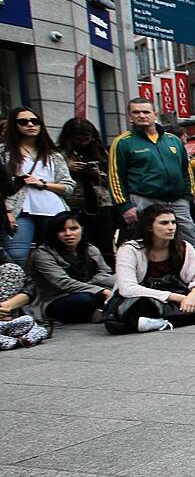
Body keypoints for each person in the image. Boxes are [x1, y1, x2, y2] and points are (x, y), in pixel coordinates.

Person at [103, 204, 195, 334]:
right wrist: (177, 298)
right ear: (149, 227)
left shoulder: (183, 247)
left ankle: (159, 323)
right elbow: (128, 288)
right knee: (133, 309)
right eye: (164, 223)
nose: (171, 227)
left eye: (173, 222)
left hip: (179, 297)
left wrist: (192, 296)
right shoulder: (130, 250)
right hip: (147, 298)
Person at [108, 99, 195, 248]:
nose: (142, 116)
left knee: (189, 242)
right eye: (136, 112)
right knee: (150, 243)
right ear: (130, 116)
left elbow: (186, 169)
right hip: (145, 200)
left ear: (155, 114)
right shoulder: (123, 142)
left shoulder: (173, 140)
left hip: (177, 201)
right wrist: (124, 206)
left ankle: (188, 270)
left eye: (146, 112)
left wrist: (187, 196)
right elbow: (115, 177)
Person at [1, 107, 76, 266]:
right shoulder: (4, 152)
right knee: (16, 256)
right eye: (23, 122)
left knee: (59, 256)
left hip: (53, 209)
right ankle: (21, 290)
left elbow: (68, 187)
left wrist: (43, 184)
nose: (30, 125)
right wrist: (6, 212)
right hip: (18, 210)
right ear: (15, 126)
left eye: (35, 121)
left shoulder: (53, 155)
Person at [29, 211, 114, 324]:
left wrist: (94, 286)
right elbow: (63, 282)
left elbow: (105, 272)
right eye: (62, 230)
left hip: (91, 289)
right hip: (57, 298)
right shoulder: (43, 254)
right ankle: (105, 312)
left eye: (73, 229)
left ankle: (101, 312)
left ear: (82, 230)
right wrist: (100, 291)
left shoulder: (90, 249)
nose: (68, 233)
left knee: (123, 284)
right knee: (86, 300)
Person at [57, 117, 118, 267]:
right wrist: (68, 169)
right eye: (78, 138)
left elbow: (113, 179)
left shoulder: (101, 153)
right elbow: (54, 179)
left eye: (87, 137)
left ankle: (108, 272)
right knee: (77, 242)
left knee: (104, 243)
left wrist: (95, 173)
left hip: (101, 203)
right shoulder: (59, 154)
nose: (83, 141)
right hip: (73, 204)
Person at [0, 257, 47, 350]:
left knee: (12, 270)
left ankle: (8, 326)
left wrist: (6, 306)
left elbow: (29, 286)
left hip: (5, 311)